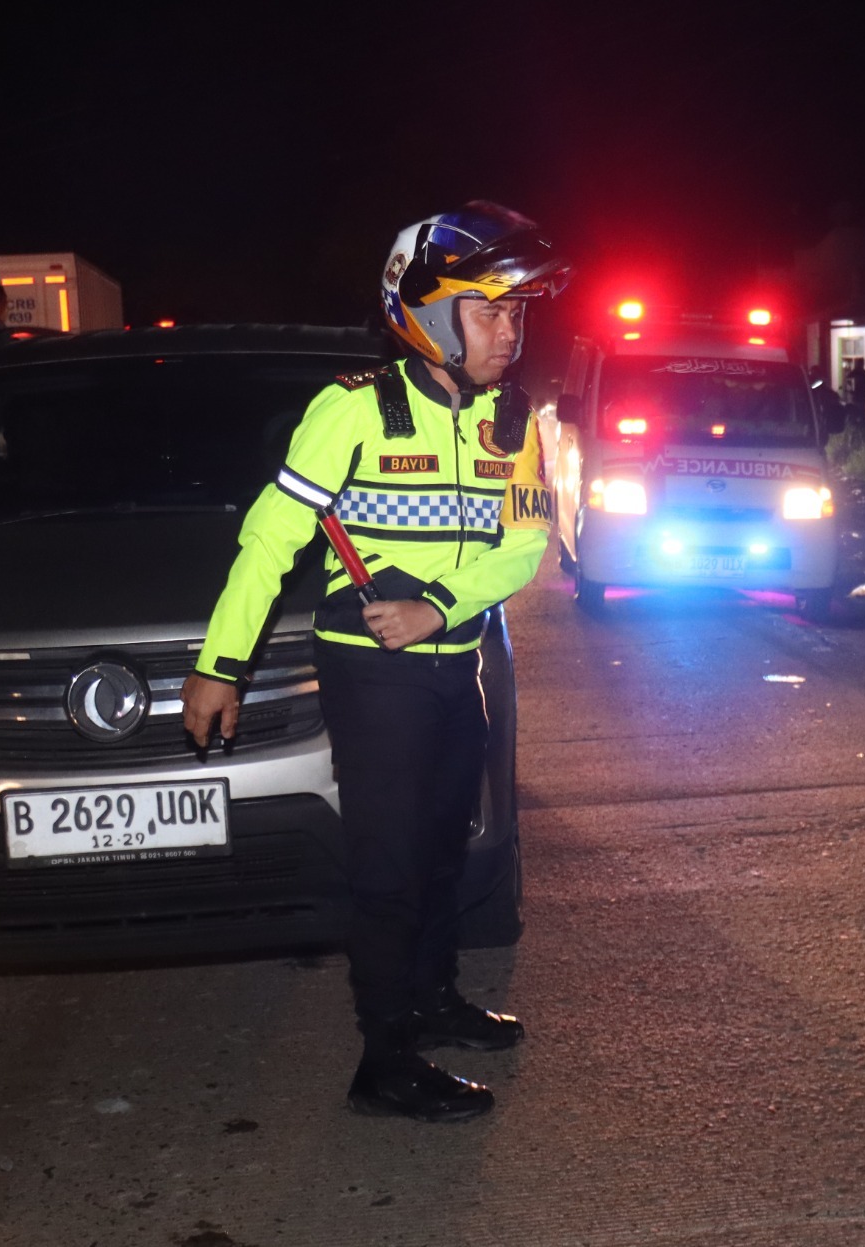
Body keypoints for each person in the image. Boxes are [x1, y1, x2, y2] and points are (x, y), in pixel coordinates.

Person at [182, 202, 566, 1122]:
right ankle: (384, 1057)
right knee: (389, 864)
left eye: (518, 312)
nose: (510, 330)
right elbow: (270, 539)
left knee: (443, 848)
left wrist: (439, 602)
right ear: (428, 314)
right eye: (489, 310)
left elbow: (529, 541)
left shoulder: (512, 419)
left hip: (458, 664)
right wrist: (219, 664)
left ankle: (432, 998)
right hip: (374, 678)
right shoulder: (351, 408)